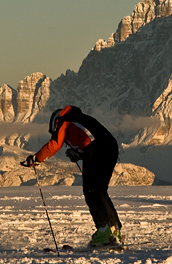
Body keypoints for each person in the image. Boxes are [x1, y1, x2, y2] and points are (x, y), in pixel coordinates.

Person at [21, 105, 123, 247]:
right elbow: (88, 138)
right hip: (110, 146)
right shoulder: (80, 119)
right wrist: (80, 153)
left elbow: (55, 144)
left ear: (55, 123)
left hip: (95, 149)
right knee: (100, 191)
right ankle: (114, 230)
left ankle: (104, 231)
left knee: (91, 191)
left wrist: (36, 158)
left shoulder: (64, 120)